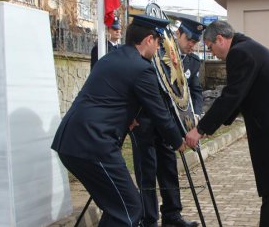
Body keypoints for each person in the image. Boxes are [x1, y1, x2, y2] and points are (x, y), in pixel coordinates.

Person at [185, 20, 269, 227]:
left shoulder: (240, 53)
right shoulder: (247, 48)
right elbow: (241, 96)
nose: (212, 53)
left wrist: (201, 129)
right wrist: (213, 125)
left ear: (220, 39)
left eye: (210, 47)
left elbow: (232, 96)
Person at [52, 14, 187, 227]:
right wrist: (179, 141)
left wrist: (127, 118)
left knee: (119, 207)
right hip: (94, 145)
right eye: (159, 41)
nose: (159, 47)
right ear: (149, 40)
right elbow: (160, 114)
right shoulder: (142, 68)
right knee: (130, 208)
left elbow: (109, 99)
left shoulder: (111, 58)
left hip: (71, 142)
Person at [130, 18, 206, 227]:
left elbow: (194, 91)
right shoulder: (157, 52)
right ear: (178, 34)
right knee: (146, 172)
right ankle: (149, 219)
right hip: (144, 122)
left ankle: (172, 216)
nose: (191, 44)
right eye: (189, 39)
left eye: (195, 42)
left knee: (169, 170)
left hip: (170, 125)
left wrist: (196, 113)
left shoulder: (192, 61)